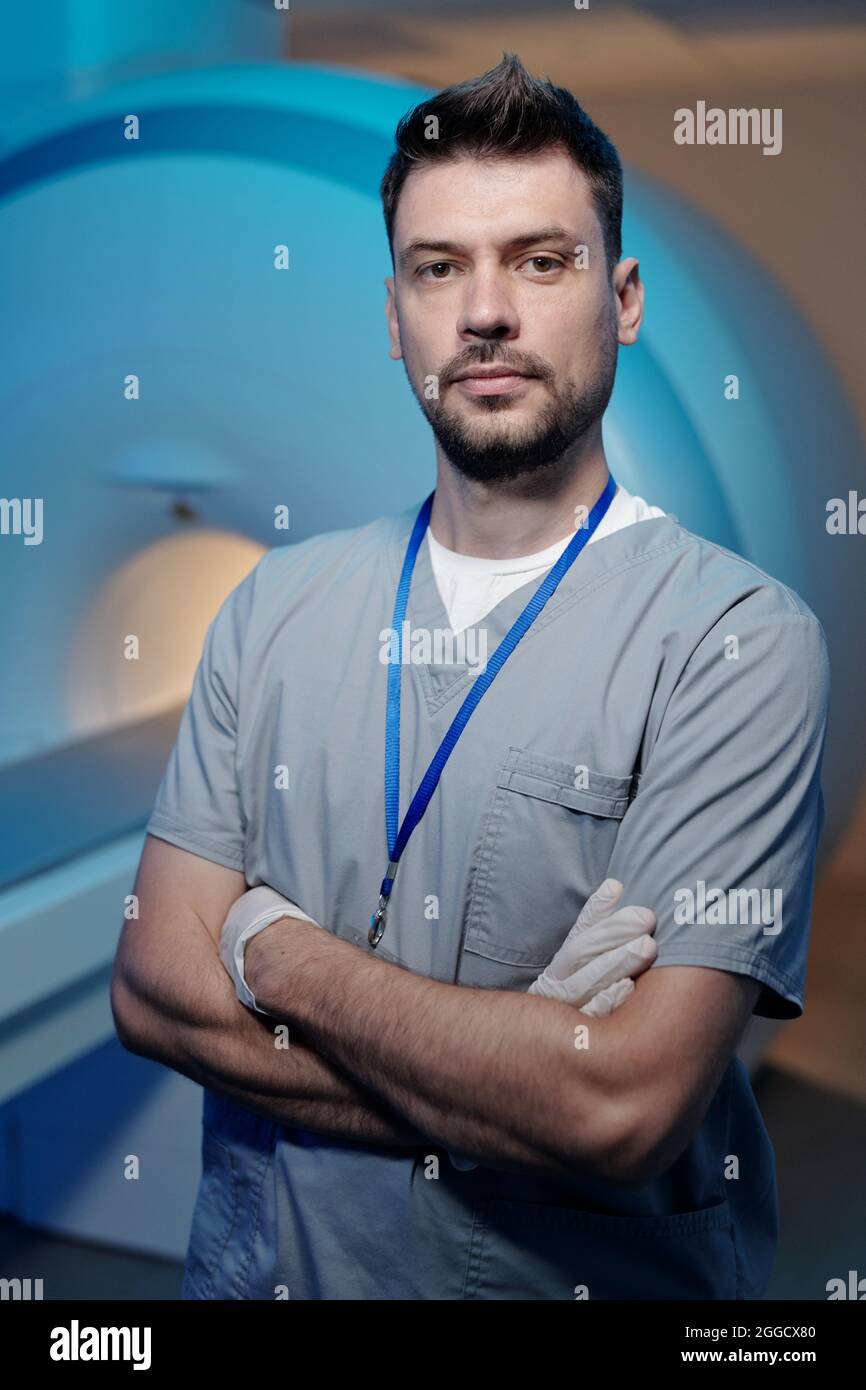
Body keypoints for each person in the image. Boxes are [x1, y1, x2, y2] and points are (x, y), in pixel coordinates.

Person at [112, 53, 830, 1301]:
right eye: (438, 267)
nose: (482, 313)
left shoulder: (734, 641)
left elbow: (618, 1110)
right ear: (393, 318)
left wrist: (274, 949)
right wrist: (512, 1066)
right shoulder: (273, 609)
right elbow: (155, 995)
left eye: (538, 262)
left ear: (623, 300)